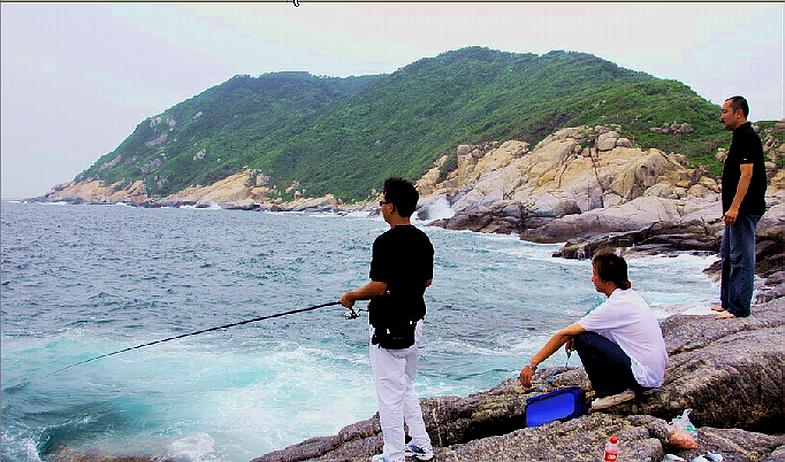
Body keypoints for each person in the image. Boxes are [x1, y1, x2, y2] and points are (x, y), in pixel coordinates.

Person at [341, 177, 435, 462]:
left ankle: (393, 455)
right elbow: (426, 281)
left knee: (389, 396)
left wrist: (352, 296)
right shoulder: (423, 240)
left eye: (382, 202)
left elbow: (379, 286)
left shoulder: (385, 242)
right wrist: (392, 293)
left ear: (391, 207)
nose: (380, 207)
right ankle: (422, 444)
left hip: (388, 328)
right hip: (415, 323)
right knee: (404, 386)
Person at [518, 253, 668, 410]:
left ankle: (612, 392)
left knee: (582, 337)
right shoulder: (630, 297)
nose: (592, 279)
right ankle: (618, 387)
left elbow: (563, 334)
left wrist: (532, 364)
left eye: (595, 274)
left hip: (643, 379)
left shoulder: (616, 305)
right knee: (580, 335)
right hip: (653, 375)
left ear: (607, 280)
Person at [712, 96, 767, 320]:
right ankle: (727, 302)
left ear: (739, 113)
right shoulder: (739, 136)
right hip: (734, 211)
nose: (722, 116)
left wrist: (735, 208)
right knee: (728, 254)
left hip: (744, 209)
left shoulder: (747, 137)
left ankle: (739, 308)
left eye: (725, 111)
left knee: (741, 258)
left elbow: (747, 175)